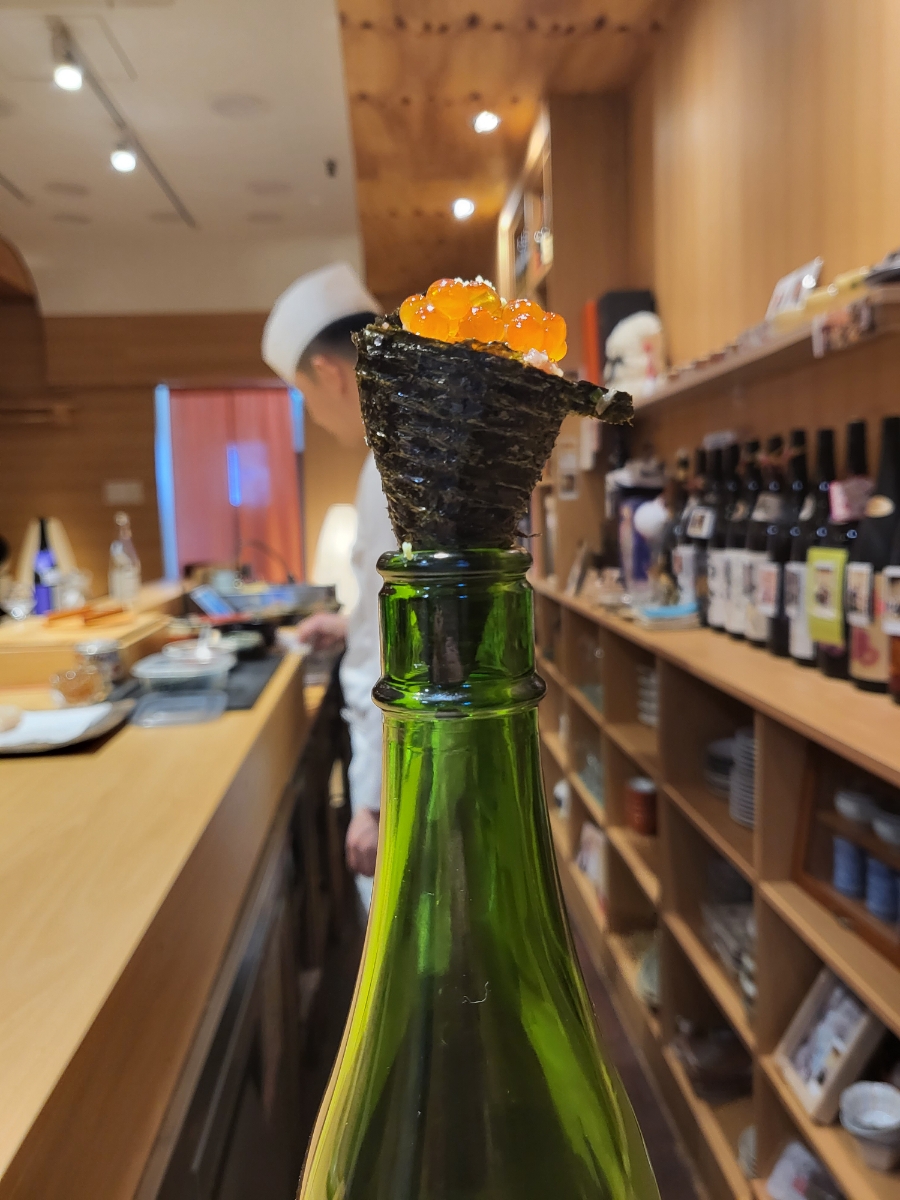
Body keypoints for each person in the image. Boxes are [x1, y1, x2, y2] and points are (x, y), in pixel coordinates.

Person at [262, 262, 394, 907]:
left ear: (329, 373)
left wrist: (372, 801)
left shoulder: (389, 468)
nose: (312, 417)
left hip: (404, 772)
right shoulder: (402, 451)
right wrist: (349, 624)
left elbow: (400, 654)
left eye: (305, 396)